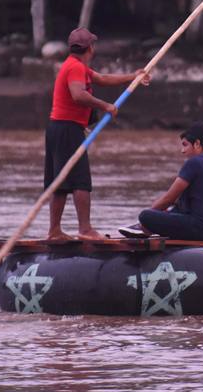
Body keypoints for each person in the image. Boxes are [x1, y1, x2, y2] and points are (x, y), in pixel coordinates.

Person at [44, 26, 148, 240]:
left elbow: (103, 78)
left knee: (60, 182)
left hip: (59, 128)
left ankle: (55, 230)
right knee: (80, 180)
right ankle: (85, 229)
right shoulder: (75, 67)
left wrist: (133, 77)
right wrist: (105, 106)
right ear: (90, 47)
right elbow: (78, 95)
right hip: (66, 129)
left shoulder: (77, 66)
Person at [126, 122, 203, 241]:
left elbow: (168, 199)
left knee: (145, 215)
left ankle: (142, 227)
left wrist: (145, 221)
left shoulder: (195, 162)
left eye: (185, 145)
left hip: (202, 229)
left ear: (197, 144)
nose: (182, 150)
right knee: (174, 209)